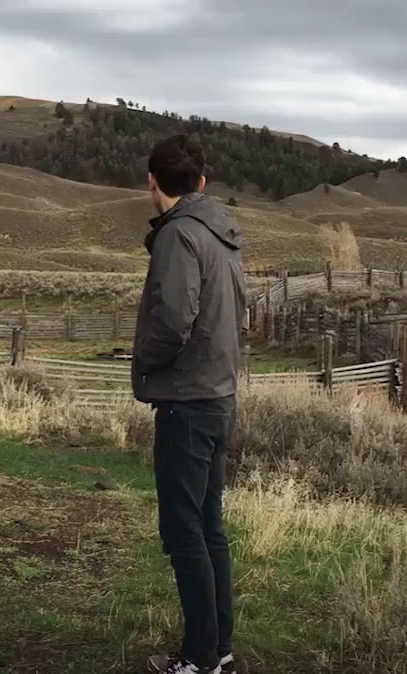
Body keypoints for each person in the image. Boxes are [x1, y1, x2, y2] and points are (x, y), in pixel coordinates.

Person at [132, 134, 245, 674]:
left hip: (188, 399)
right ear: (200, 181)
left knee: (184, 531)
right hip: (219, 394)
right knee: (208, 525)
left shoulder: (179, 235)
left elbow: (174, 320)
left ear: (151, 182)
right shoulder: (221, 233)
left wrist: (145, 361)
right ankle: (218, 648)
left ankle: (200, 658)